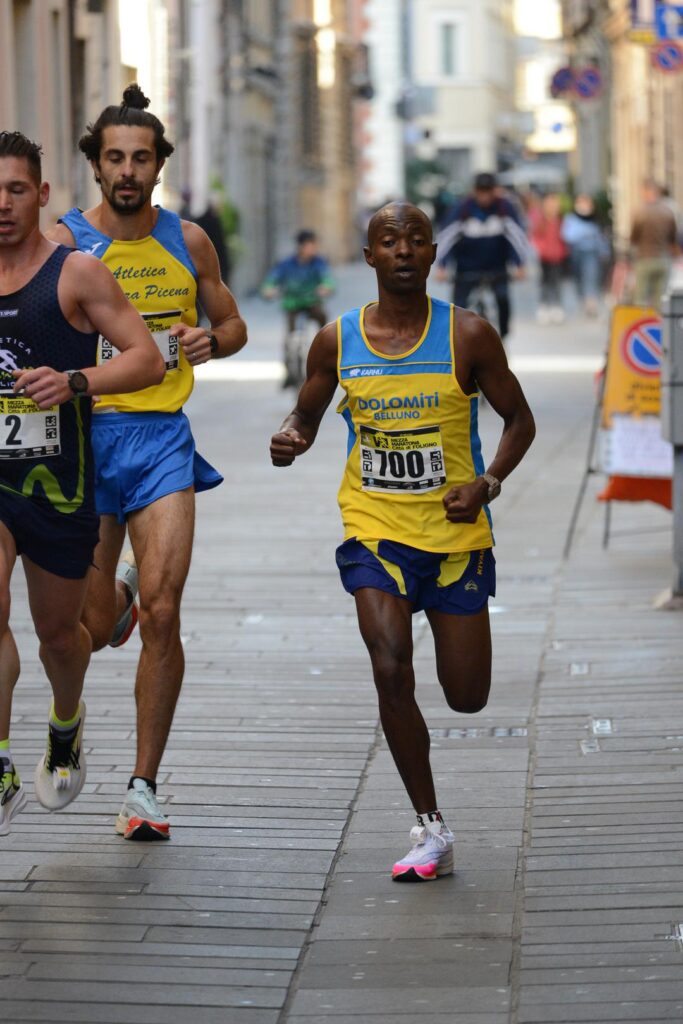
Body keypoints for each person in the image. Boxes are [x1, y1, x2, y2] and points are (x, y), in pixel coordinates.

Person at [270, 202, 535, 881]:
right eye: (388, 241)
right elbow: (306, 411)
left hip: (454, 536)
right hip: (374, 528)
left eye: (416, 239)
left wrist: (487, 482)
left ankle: (433, 814)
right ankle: (430, 825)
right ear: (368, 257)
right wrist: (293, 437)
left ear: (431, 254)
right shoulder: (335, 340)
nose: (404, 251)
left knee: (466, 695)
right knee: (389, 664)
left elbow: (519, 421)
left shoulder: (468, 336)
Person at [48, 85, 247, 841]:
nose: (126, 171)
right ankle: (117, 606)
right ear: (95, 168)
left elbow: (230, 322)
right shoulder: (66, 245)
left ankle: (143, 787)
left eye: (139, 158)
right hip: (83, 442)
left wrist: (210, 341)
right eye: (113, 158)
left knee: (168, 610)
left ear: (159, 165)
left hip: (161, 436)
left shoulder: (187, 241)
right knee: (91, 629)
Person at [0, 131, 164, 835]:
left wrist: (74, 381)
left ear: (41, 195)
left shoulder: (76, 274)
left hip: (58, 487)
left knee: (61, 635)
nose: (1, 205)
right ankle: (1, 758)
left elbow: (147, 360)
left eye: (14, 190)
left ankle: (65, 723)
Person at [435, 172, 530, 343]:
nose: (484, 196)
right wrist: (442, 266)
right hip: (466, 268)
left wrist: (520, 264)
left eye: (488, 191)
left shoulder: (505, 209)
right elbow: (446, 238)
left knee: (503, 299)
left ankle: (503, 335)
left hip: (497, 267)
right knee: (458, 306)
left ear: (495, 191)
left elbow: (518, 238)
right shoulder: (462, 209)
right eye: (481, 191)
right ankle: (458, 341)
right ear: (474, 191)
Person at [261, 230, 335, 386]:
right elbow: (272, 279)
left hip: (312, 303)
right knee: (290, 340)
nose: (314, 248)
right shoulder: (286, 264)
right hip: (293, 305)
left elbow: (327, 279)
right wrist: (269, 290)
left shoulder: (319, 263)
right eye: (311, 245)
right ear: (302, 246)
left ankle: (327, 353)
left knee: (326, 326)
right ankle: (290, 371)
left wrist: (326, 287)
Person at [630, 179, 678, 309]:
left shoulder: (640, 212)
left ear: (646, 192)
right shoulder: (668, 212)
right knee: (661, 299)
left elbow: (634, 237)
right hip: (663, 258)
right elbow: (673, 237)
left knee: (640, 298)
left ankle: (641, 326)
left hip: (645, 258)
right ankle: (659, 327)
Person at [561, 194, 608, 317]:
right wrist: (584, 233)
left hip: (591, 252)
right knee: (579, 278)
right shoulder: (571, 218)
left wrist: (604, 251)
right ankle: (582, 300)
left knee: (591, 276)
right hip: (576, 252)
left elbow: (601, 238)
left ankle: (590, 303)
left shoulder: (596, 219)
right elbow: (567, 236)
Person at [529, 192, 568, 324]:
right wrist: (541, 249)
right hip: (544, 257)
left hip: (558, 256)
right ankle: (544, 307)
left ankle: (556, 307)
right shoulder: (541, 221)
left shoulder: (561, 220)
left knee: (556, 282)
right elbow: (535, 237)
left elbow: (566, 237)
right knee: (544, 282)